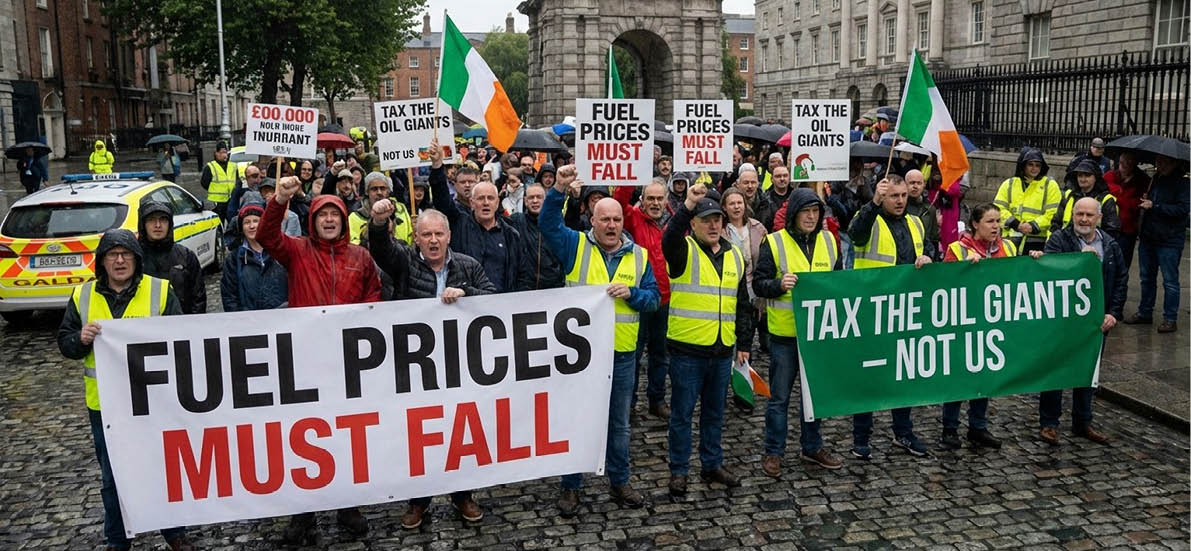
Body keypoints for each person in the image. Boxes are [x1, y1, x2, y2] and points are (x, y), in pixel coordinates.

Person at [259, 176, 382, 543]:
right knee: (304, 436)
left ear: (344, 220)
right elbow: (267, 237)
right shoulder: (297, 251)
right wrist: (279, 200)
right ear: (312, 221)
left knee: (345, 434)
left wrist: (355, 333)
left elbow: (373, 298)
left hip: (347, 363)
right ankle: (303, 513)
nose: (329, 220)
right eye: (322, 215)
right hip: (305, 361)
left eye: (335, 214)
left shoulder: (360, 257)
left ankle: (347, 504)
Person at [56, 229, 195, 551]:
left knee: (162, 468)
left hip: (154, 401)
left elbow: (181, 338)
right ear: (101, 261)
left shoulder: (160, 291)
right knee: (112, 476)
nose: (119, 261)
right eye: (112, 255)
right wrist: (80, 339)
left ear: (137, 258)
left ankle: (174, 532)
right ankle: (118, 539)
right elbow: (65, 343)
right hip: (105, 406)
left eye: (126, 254)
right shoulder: (83, 296)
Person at [540, 164, 660, 518]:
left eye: (617, 220)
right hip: (580, 358)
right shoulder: (575, 245)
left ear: (624, 221)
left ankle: (619, 481)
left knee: (619, 423)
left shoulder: (638, 256)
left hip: (621, 355)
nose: (611, 226)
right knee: (577, 419)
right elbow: (548, 225)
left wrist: (634, 294)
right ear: (591, 220)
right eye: (604, 219)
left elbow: (653, 299)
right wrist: (558, 191)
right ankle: (571, 486)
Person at [366, 206, 493, 528]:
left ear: (449, 236)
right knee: (420, 435)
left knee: (459, 432)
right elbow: (381, 248)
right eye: (426, 235)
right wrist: (379, 223)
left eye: (439, 234)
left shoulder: (468, 265)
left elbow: (495, 300)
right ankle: (419, 501)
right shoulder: (405, 262)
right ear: (416, 238)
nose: (433, 241)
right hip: (417, 370)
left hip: (459, 366)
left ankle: (463, 495)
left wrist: (468, 293)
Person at [661, 181, 753, 496]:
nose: (714, 224)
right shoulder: (682, 249)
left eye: (718, 219)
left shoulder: (736, 256)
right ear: (694, 225)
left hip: (721, 349)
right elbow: (669, 236)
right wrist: (686, 205)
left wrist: (744, 343)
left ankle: (711, 464)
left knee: (714, 413)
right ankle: (679, 470)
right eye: (706, 220)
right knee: (682, 415)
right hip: (687, 350)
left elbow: (742, 303)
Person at [752, 188, 845, 476]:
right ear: (793, 214)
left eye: (816, 212)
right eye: (806, 211)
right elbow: (759, 284)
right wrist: (779, 285)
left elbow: (839, 282)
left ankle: (812, 446)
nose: (811, 217)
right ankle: (773, 452)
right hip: (785, 336)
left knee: (813, 397)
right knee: (779, 398)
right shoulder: (774, 242)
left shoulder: (830, 241)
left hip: (817, 337)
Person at [936, 204, 1041, 450]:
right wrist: (961, 269)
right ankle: (949, 428)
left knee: (984, 376)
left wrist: (1035, 261)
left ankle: (978, 426)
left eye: (998, 221)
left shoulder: (1009, 247)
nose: (996, 226)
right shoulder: (958, 249)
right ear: (975, 224)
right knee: (959, 377)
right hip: (963, 323)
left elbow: (1019, 279)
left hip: (992, 324)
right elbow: (942, 284)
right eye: (990, 222)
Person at [848, 175, 933, 458]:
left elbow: (928, 249)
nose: (899, 201)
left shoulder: (916, 222)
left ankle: (903, 433)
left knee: (904, 375)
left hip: (906, 309)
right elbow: (857, 233)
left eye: (903, 196)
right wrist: (872, 204)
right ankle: (861, 438)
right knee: (868, 376)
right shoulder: (868, 218)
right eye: (893, 196)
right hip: (872, 309)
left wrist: (928, 259)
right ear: (882, 196)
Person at [1039, 197, 1128, 445]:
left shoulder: (1109, 244)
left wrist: (1113, 313)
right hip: (1063, 320)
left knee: (1088, 372)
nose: (1084, 219)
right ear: (1073, 215)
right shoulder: (1060, 239)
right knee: (1055, 371)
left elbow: (1120, 279)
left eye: (1089, 215)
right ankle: (1049, 423)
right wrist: (1080, 259)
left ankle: (1083, 422)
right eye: (1080, 214)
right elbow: (1049, 270)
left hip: (1095, 322)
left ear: (1098, 218)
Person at [427, 138, 529, 294]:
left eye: (490, 198)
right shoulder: (459, 223)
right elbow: (442, 199)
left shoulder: (511, 235)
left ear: (497, 203)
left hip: (502, 308)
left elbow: (521, 273)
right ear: (472, 202)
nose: (486, 203)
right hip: (464, 305)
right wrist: (437, 165)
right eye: (481, 199)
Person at [613, 178, 672, 419]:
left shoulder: (673, 223)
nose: (655, 203)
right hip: (639, 298)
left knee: (661, 354)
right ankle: (630, 401)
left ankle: (656, 399)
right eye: (651, 198)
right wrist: (631, 173)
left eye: (659, 198)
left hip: (666, 300)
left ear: (666, 200)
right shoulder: (634, 218)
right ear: (643, 200)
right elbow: (618, 201)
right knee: (634, 354)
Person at [1125, 154, 1190, 333]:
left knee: (1170, 281)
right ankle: (1145, 311)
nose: (1158, 165)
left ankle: (1170, 318)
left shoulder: (1183, 183)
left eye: (1163, 162)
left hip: (1169, 239)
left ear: (1173, 163)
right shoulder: (1155, 179)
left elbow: (1183, 209)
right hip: (1149, 236)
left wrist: (1155, 206)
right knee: (1146, 278)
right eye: (1157, 161)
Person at [137, 200, 206, 315]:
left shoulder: (186, 256)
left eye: (163, 219)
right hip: (144, 327)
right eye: (151, 220)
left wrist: (194, 326)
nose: (158, 225)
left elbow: (198, 298)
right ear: (143, 224)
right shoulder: (134, 257)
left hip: (180, 326)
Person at [220, 202, 288, 311]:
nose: (252, 226)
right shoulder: (234, 259)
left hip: (282, 318)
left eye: (256, 221)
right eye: (247, 222)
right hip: (250, 321)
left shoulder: (279, 251)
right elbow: (229, 295)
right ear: (241, 228)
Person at [994, 147, 1062, 254]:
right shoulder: (1009, 183)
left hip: (1037, 240)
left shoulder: (1050, 185)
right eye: (1030, 164)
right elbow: (998, 208)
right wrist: (1016, 224)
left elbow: (1053, 213)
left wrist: (1033, 225)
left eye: (1038, 165)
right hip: (1010, 239)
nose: (1034, 168)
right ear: (1023, 165)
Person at [508, 182, 565, 290]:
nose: (535, 201)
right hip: (523, 289)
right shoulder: (516, 221)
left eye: (539, 197)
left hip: (552, 289)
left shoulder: (556, 222)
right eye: (531, 197)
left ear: (545, 200)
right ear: (525, 201)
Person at [1050, 158, 1120, 239]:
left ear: (1096, 177)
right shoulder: (1068, 195)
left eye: (1087, 175)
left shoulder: (1106, 200)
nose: (1083, 179)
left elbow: (1112, 230)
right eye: (1080, 175)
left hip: (1093, 246)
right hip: (1066, 245)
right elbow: (1056, 223)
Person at [1103, 151, 1150, 270]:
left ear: (1134, 164)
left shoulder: (1142, 180)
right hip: (1108, 227)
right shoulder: (1110, 176)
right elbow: (1103, 193)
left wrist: (1117, 195)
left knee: (1122, 265)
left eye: (1129, 162)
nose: (1124, 165)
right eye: (1122, 162)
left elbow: (1135, 204)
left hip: (1127, 230)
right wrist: (1120, 192)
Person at [348, 171, 412, 248]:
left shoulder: (401, 210)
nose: (379, 192)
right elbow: (355, 249)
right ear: (367, 192)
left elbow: (410, 240)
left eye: (383, 188)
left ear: (388, 191)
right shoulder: (354, 217)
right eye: (374, 189)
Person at [904, 169, 941, 260]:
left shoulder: (929, 209)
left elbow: (934, 239)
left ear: (924, 185)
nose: (915, 186)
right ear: (905, 184)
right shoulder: (899, 208)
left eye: (919, 183)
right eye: (912, 183)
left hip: (923, 259)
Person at [200, 141, 240, 220]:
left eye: (226, 152)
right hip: (216, 203)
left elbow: (237, 181)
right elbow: (204, 183)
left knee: (232, 223)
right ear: (216, 153)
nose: (224, 155)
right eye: (222, 152)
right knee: (218, 224)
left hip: (231, 200)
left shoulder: (233, 166)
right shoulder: (210, 166)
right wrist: (214, 189)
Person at [758, 165, 791, 230]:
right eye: (778, 176)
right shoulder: (764, 200)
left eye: (785, 176)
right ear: (772, 179)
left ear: (789, 178)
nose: (782, 179)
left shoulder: (795, 197)